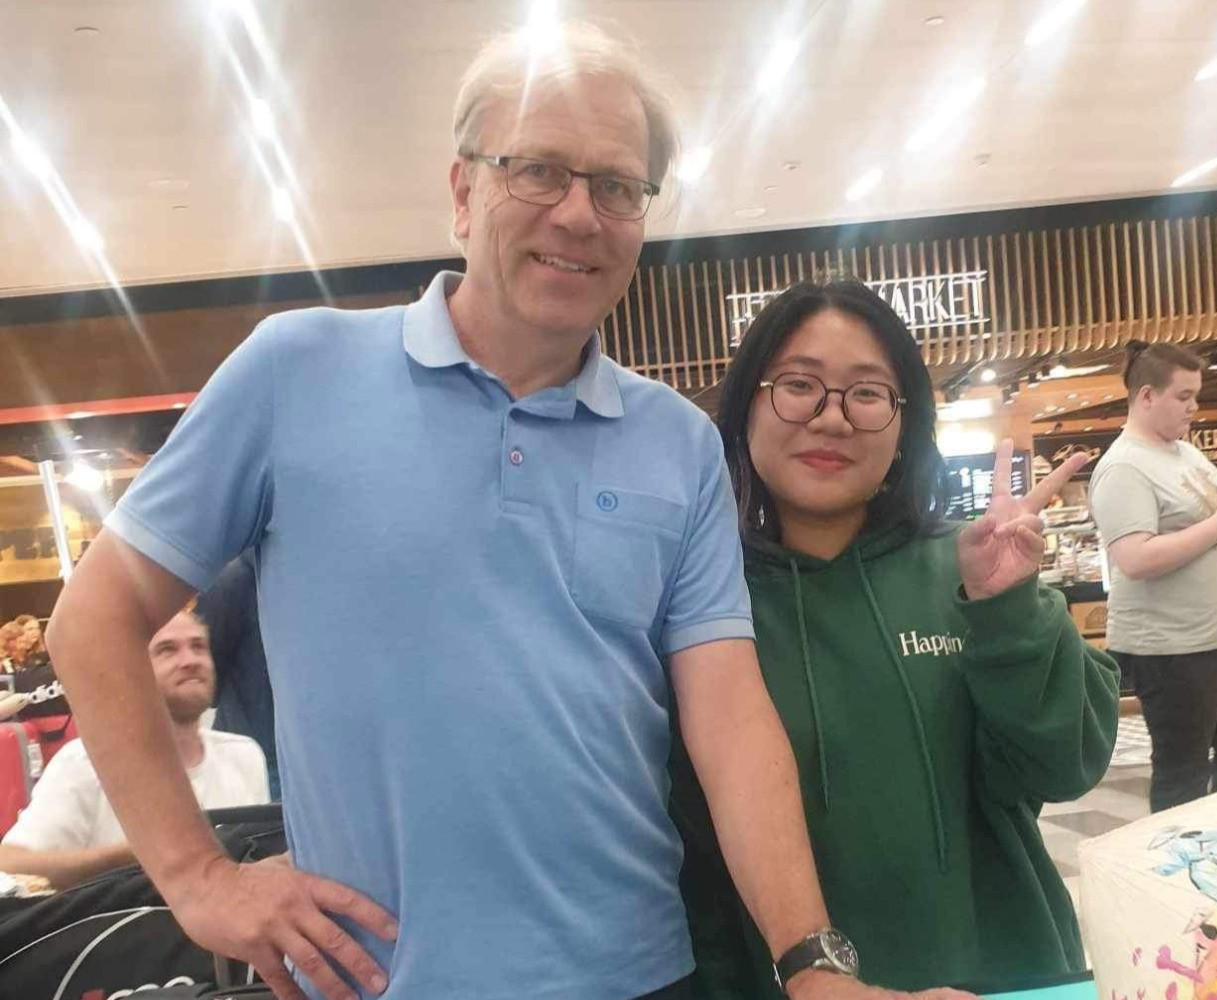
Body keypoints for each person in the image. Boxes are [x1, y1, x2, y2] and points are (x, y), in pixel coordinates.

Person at [43, 22, 969, 1000]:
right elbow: (94, 621)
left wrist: (811, 963)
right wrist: (196, 878)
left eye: (617, 186)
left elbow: (730, 720)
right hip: (375, 979)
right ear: (461, 191)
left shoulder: (678, 444)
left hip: (640, 976)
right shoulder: (294, 374)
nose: (579, 214)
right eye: (537, 170)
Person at [674, 280, 1120, 996]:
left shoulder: (970, 565)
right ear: (746, 408)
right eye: (798, 385)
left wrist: (1008, 611)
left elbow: (1066, 764)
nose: (831, 419)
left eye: (867, 393)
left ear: (905, 422)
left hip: (996, 973)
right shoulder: (702, 603)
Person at [1087, 341, 1217, 814]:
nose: (1194, 407)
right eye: (1183, 396)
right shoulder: (1123, 468)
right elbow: (1134, 559)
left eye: (1196, 395)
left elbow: (1207, 527)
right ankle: (1176, 876)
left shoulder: (1185, 454)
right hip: (1175, 650)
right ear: (1145, 397)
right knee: (1184, 777)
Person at [0, 610, 268, 890]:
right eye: (167, 650)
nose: (190, 660)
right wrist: (127, 858)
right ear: (129, 670)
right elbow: (11, 864)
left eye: (198, 646)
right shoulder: (85, 763)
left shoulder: (244, 757)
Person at [196, 551, 279, 798]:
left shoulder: (235, 579)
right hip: (254, 755)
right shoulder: (235, 581)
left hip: (292, 756)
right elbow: (210, 673)